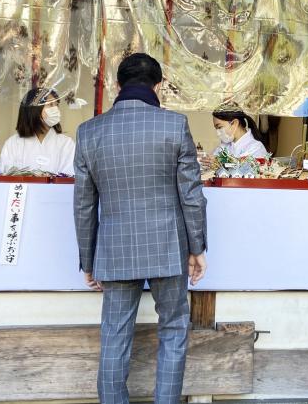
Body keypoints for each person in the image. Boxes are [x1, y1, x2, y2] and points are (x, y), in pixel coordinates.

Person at [73, 53, 207, 404]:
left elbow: (84, 205)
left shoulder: (89, 132)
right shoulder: (174, 125)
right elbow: (191, 195)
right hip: (168, 246)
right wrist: (197, 248)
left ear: (117, 86)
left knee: (114, 335)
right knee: (174, 328)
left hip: (115, 249)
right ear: (158, 86)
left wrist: (88, 260)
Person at [0, 88, 75, 175]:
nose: (56, 109)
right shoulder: (13, 144)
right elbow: (4, 176)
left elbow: (69, 176)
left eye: (57, 105)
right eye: (50, 104)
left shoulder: (66, 144)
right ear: (34, 109)